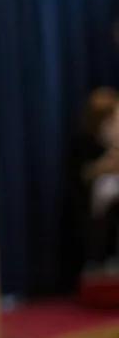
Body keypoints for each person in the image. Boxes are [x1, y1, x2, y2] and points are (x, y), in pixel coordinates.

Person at [64, 88, 119, 283]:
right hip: (90, 202)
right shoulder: (84, 142)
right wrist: (105, 166)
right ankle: (99, 260)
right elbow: (83, 175)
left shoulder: (114, 140)